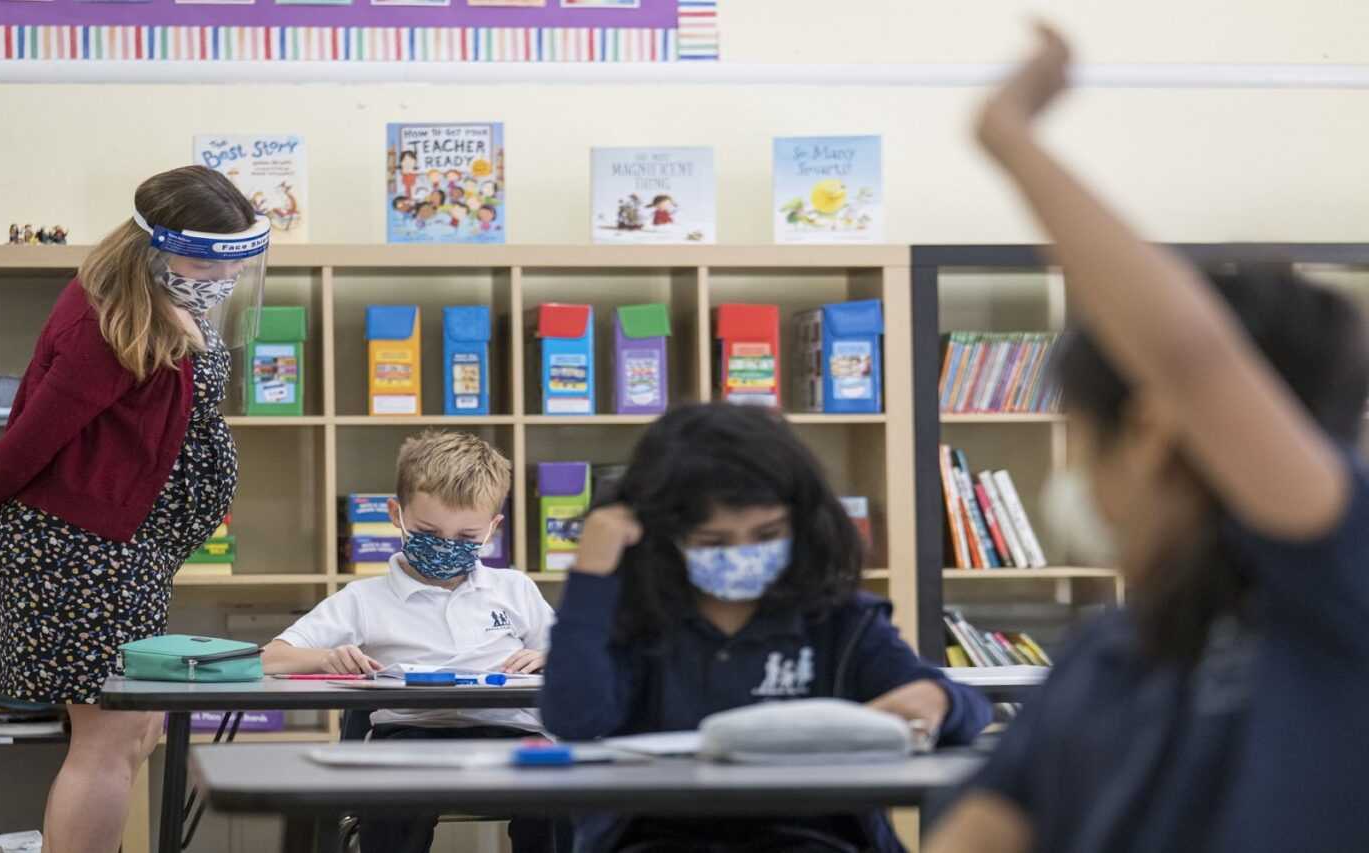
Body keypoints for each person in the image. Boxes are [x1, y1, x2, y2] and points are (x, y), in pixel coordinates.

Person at [925, 25, 1369, 853]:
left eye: (1084, 438)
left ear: (1153, 430)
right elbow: (983, 831)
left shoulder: (1340, 592)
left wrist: (1011, 138)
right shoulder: (1107, 656)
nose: (1082, 483)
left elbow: (1194, 360)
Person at [0, 165, 268, 853]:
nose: (222, 276)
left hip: (122, 551)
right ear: (155, 245)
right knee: (108, 739)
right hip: (82, 551)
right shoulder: (109, 318)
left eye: (234, 261)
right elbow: (37, 428)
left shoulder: (161, 297)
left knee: (136, 730)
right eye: (207, 260)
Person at [542, 403, 991, 853]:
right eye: (713, 541)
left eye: (767, 534)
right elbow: (574, 717)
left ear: (802, 522)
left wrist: (938, 699)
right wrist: (591, 576)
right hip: (660, 839)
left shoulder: (839, 618)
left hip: (815, 838)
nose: (742, 554)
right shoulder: (632, 617)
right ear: (663, 535)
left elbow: (969, 712)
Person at [262, 431, 565, 853]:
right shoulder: (363, 599)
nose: (446, 547)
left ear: (493, 528)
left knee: (560, 794)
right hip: (410, 737)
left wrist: (551, 657)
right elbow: (270, 658)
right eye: (428, 531)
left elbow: (578, 660)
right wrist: (327, 657)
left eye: (466, 537)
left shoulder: (514, 589)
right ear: (397, 514)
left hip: (512, 735)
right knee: (393, 799)